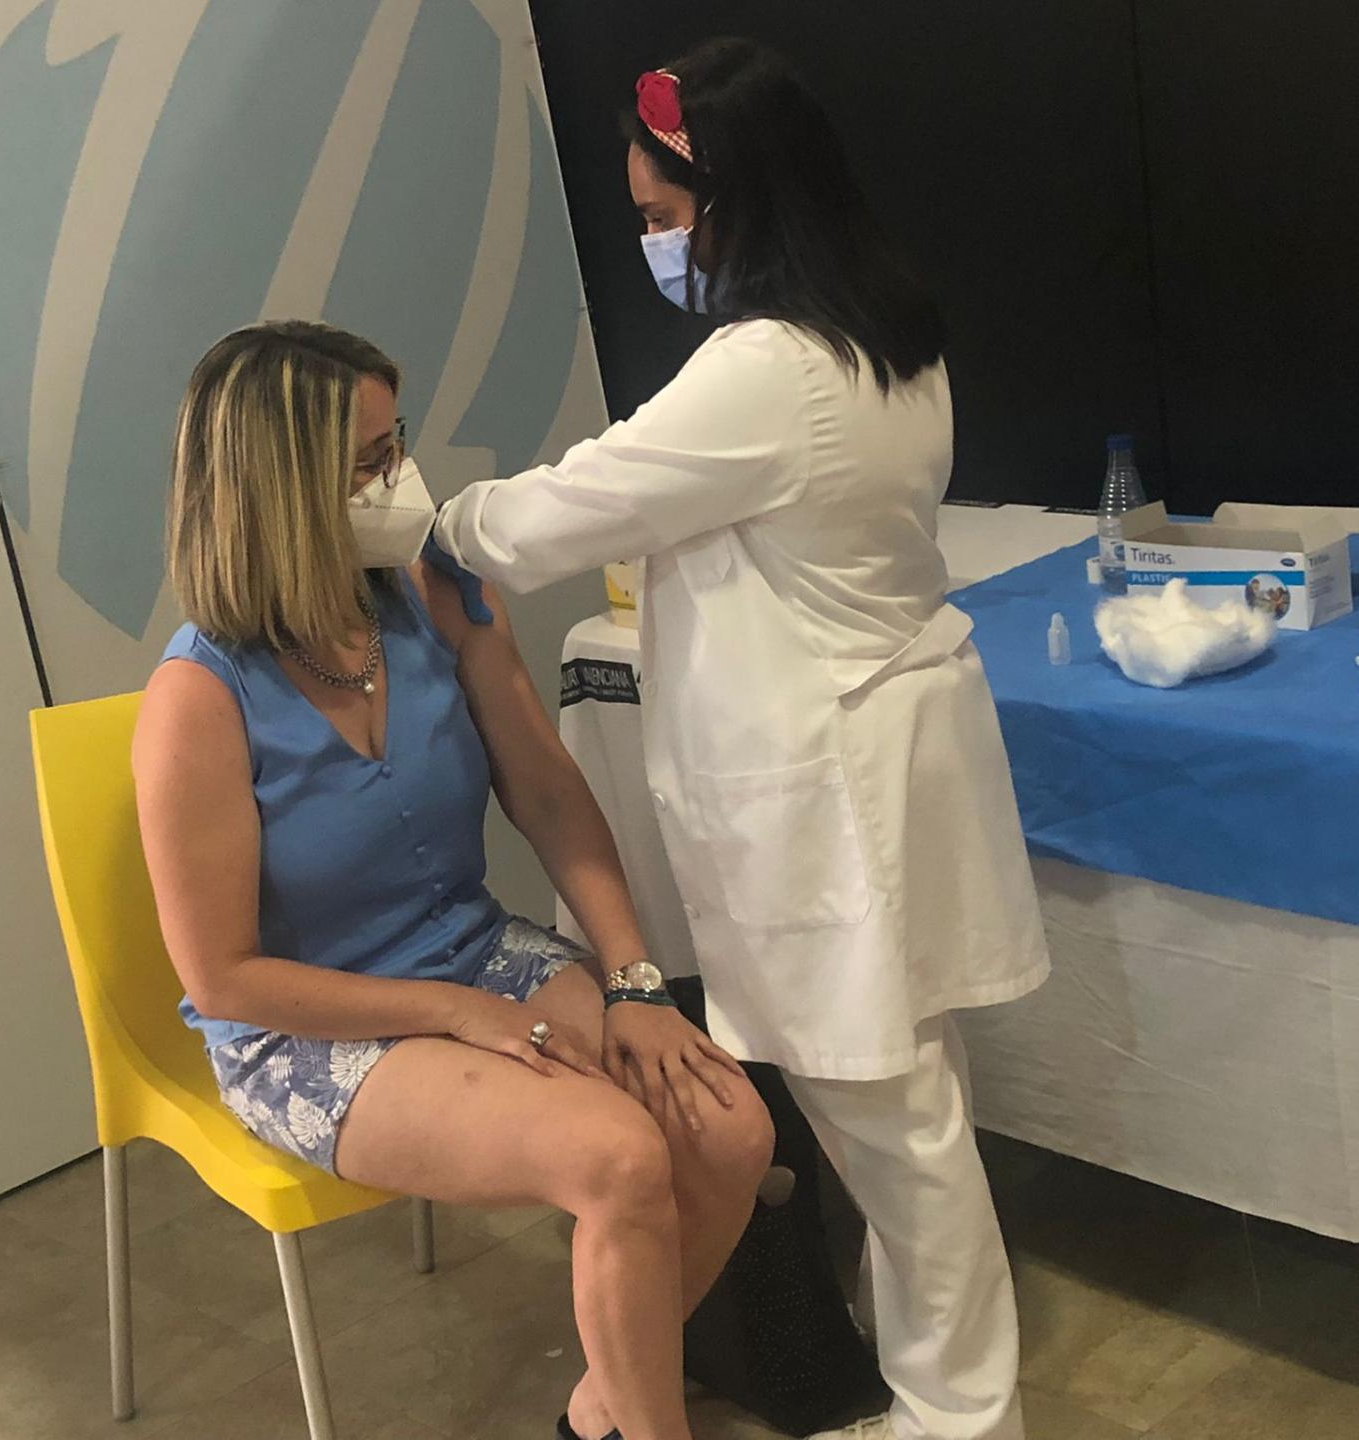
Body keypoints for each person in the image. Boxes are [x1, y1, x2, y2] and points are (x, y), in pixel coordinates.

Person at [429, 39, 1051, 1440]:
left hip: (834, 787)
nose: (655, 244)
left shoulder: (768, 366)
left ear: (736, 200)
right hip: (878, 752)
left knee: (892, 1128)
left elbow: (563, 509)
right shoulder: (883, 336)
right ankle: (939, 1384)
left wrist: (428, 521)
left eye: (661, 215)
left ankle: (961, 1418)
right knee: (908, 1108)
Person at [133, 320, 774, 1440]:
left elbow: (550, 792)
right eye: (367, 463)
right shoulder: (199, 699)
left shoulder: (431, 597)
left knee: (726, 1130)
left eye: (396, 444)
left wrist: (634, 979)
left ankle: (602, 1417)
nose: (402, 481)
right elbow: (224, 979)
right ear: (279, 496)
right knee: (620, 1159)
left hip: (474, 954)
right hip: (309, 1024)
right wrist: (454, 1014)